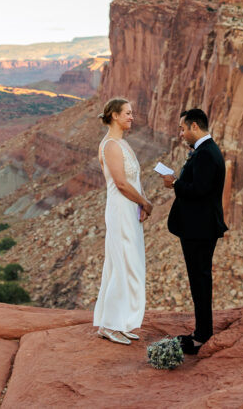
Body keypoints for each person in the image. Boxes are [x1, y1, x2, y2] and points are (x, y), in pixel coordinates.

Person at [160, 107, 227, 355]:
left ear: (194, 127)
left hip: (200, 229)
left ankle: (202, 335)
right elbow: (200, 187)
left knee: (199, 280)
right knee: (199, 279)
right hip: (199, 227)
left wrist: (174, 183)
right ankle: (202, 331)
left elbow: (198, 191)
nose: (181, 133)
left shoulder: (207, 154)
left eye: (182, 128)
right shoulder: (205, 152)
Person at [92, 97, 153, 345]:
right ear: (115, 116)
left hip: (129, 210)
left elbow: (132, 182)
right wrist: (145, 203)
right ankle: (110, 325)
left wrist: (140, 202)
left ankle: (122, 322)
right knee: (122, 263)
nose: (131, 117)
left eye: (132, 113)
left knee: (130, 263)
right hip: (120, 211)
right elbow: (120, 183)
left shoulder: (122, 144)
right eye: (127, 113)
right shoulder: (110, 146)